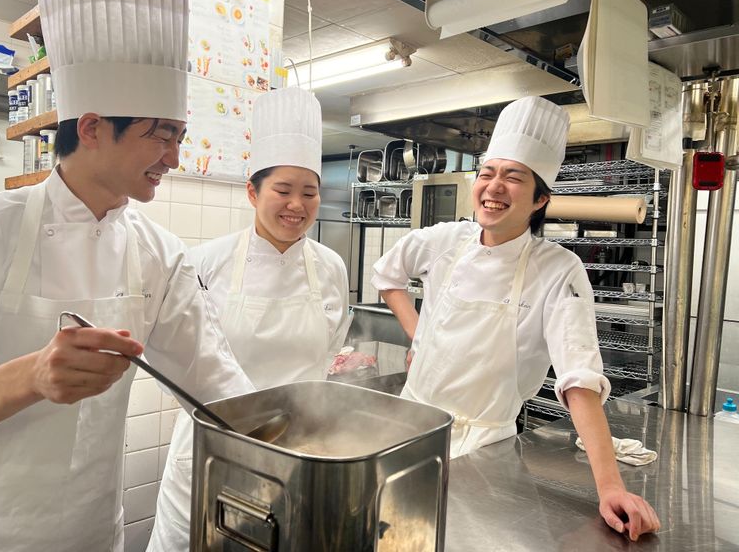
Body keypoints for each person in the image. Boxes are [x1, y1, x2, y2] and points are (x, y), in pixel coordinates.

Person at [0, 0, 253, 551]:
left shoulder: (159, 253)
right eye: (163, 135)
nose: (174, 159)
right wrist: (32, 376)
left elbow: (214, 383)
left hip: (92, 530)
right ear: (90, 129)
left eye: (180, 138)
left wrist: (298, 444)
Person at [372, 96, 660, 541]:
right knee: (394, 538)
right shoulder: (444, 241)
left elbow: (579, 378)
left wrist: (610, 488)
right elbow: (387, 275)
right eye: (487, 173)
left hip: (484, 449)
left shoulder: (558, 269)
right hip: (410, 430)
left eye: (513, 177)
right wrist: (418, 337)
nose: (494, 187)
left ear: (540, 198)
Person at [148, 87, 352, 551]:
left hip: (297, 456)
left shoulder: (331, 268)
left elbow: (327, 356)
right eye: (283, 190)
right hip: (211, 453)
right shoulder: (204, 263)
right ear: (252, 192)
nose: (297, 205)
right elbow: (180, 364)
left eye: (309, 193)